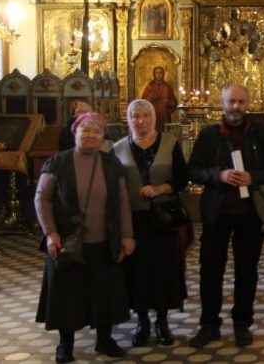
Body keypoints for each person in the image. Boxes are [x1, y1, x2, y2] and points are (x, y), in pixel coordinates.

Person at [187, 84, 264, 348]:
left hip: (250, 213)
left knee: (246, 271)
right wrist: (218, 175)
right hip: (216, 213)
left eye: (241, 102)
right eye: (231, 102)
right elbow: (194, 169)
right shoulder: (208, 135)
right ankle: (209, 325)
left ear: (248, 103)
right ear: (222, 102)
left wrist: (253, 176)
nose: (236, 107)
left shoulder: (261, 134)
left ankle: (242, 323)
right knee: (210, 271)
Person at [34, 112, 135, 363]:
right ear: (75, 132)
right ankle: (65, 343)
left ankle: (105, 338)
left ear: (104, 137)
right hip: (68, 241)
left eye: (97, 131)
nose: (91, 135)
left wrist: (127, 235)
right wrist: (50, 232)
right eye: (85, 130)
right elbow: (41, 198)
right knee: (67, 294)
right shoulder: (57, 162)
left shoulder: (112, 164)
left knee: (105, 292)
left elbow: (123, 201)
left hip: (105, 240)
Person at [111, 100, 188, 347]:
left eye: (145, 116)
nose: (141, 121)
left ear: (154, 118)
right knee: (137, 272)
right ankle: (142, 321)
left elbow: (182, 179)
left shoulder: (170, 143)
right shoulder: (118, 147)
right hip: (133, 219)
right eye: (135, 117)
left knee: (164, 270)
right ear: (129, 119)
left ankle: (162, 321)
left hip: (163, 218)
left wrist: (159, 189)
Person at [141, 66, 179, 133]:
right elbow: (143, 102)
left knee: (164, 134)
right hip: (152, 115)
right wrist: (151, 98)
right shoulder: (149, 86)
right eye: (157, 73)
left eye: (160, 73)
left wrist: (166, 102)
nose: (159, 75)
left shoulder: (167, 87)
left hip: (164, 115)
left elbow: (174, 103)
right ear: (154, 74)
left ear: (163, 74)